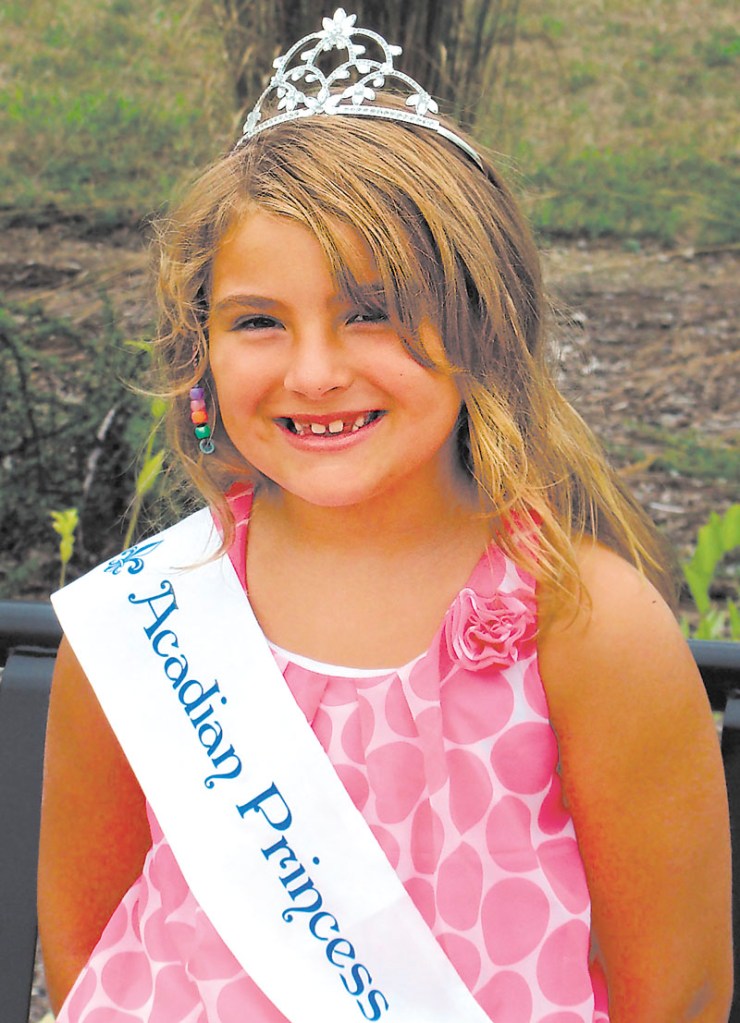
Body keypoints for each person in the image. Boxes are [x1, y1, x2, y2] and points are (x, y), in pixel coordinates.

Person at [38, 9, 732, 1023]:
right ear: (200, 351)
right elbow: (89, 941)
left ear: (479, 325)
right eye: (258, 321)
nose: (314, 372)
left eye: (370, 310)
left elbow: (674, 993)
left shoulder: (583, 626)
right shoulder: (145, 620)